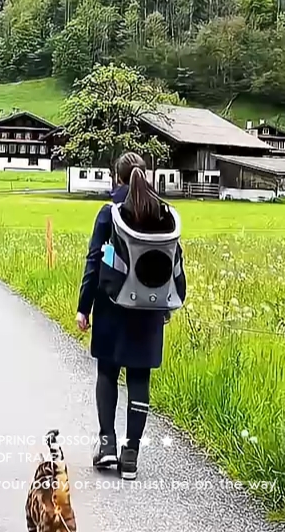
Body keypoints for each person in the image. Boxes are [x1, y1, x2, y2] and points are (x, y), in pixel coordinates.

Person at [76, 152, 186, 480]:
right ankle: (131, 456)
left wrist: (84, 307)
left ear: (117, 177)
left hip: (113, 305)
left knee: (108, 373)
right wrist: (166, 305)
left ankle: (107, 445)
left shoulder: (110, 213)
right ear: (146, 175)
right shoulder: (164, 213)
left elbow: (94, 261)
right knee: (140, 379)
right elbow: (174, 264)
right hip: (150, 310)